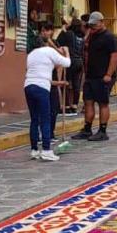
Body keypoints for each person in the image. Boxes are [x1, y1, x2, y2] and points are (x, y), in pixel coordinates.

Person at [71, 12, 117, 142]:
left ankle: (102, 130)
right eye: (90, 25)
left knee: (103, 103)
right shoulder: (91, 36)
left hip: (103, 76)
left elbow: (115, 56)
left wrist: (108, 74)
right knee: (88, 102)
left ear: (101, 22)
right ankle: (87, 129)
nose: (92, 27)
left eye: (94, 25)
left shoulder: (109, 37)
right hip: (90, 76)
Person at [23, 31, 71, 161]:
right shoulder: (49, 51)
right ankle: (46, 150)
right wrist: (66, 51)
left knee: (34, 119)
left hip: (28, 86)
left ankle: (34, 150)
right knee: (45, 118)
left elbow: (45, 66)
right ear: (46, 43)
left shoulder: (31, 54)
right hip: (41, 87)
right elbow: (67, 63)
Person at [56, 18, 85, 115]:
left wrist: (64, 28)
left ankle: (67, 107)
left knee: (67, 82)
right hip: (80, 61)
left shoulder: (69, 34)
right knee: (76, 84)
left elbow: (58, 41)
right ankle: (75, 106)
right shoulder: (82, 36)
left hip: (71, 61)